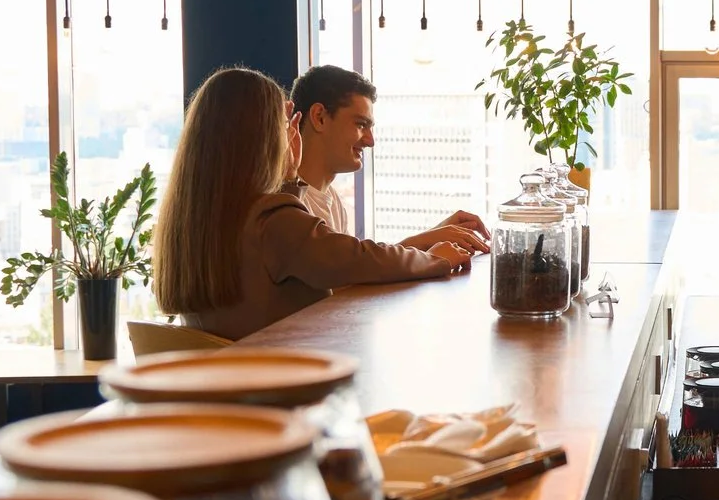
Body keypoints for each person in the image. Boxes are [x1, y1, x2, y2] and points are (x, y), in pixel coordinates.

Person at [155, 67, 483, 341]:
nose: (289, 136)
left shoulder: (197, 219)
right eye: (282, 127)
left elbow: (328, 256)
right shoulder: (273, 222)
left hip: (227, 389)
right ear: (260, 138)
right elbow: (356, 260)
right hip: (281, 390)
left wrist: (288, 180)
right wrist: (434, 260)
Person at [287, 63, 487, 250]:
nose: (370, 141)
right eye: (360, 125)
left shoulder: (332, 199)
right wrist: (429, 245)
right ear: (319, 117)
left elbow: (354, 270)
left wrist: (435, 235)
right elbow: (347, 272)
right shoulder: (286, 204)